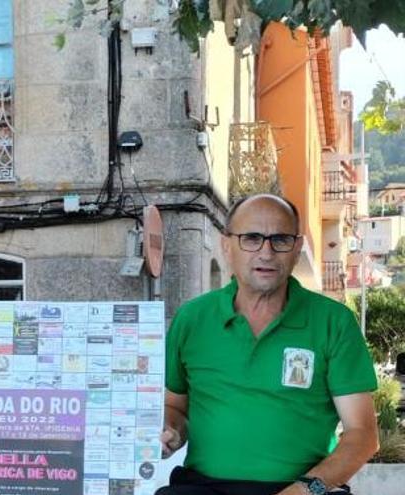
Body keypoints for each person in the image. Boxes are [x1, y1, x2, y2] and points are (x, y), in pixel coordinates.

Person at [158, 194, 379, 495]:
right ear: (227, 246)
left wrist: (305, 490)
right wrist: (170, 429)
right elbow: (175, 406)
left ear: (297, 247)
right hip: (205, 488)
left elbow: (362, 434)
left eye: (280, 239)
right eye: (251, 238)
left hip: (301, 488)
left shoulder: (333, 322)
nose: (266, 252)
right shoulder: (192, 319)